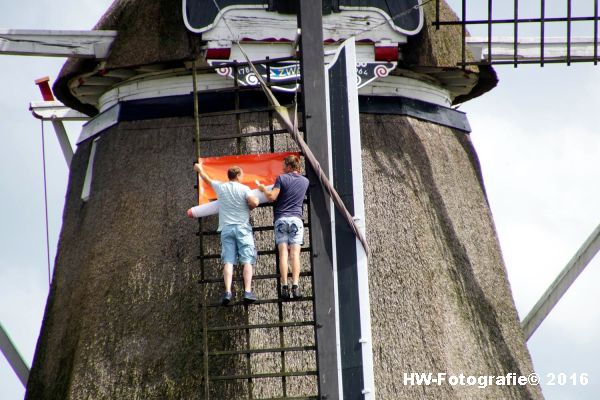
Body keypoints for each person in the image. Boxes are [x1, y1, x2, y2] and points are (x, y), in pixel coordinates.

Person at [191, 162, 259, 305]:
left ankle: (228, 292)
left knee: (228, 261)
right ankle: (247, 291)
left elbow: (206, 179)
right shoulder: (244, 188)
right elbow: (253, 202)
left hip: (226, 228)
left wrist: (199, 169)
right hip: (242, 228)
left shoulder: (221, 187)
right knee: (247, 260)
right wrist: (254, 203)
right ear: (238, 176)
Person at [258, 154, 309, 299]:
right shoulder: (305, 182)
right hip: (296, 220)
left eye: (284, 165)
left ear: (290, 166)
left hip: (281, 219)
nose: (282, 168)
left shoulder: (281, 178)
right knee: (295, 255)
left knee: (283, 254)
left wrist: (263, 189)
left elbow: (272, 197)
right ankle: (296, 286)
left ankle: (285, 286)